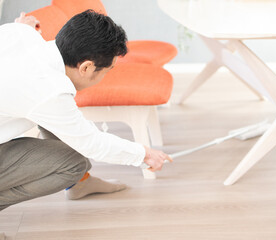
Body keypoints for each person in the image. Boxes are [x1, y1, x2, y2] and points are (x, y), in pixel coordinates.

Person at [0, 10, 172, 212]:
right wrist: (144, 154)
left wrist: (23, 27)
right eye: (108, 70)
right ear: (86, 67)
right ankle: (79, 177)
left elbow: (22, 31)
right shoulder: (50, 90)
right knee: (73, 164)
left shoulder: (18, 32)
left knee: (63, 122)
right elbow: (92, 143)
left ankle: (81, 183)